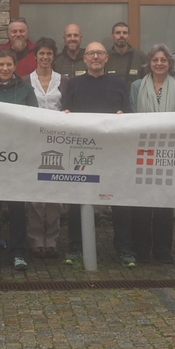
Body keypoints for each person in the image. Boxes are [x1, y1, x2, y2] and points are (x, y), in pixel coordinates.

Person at [60, 41, 132, 267]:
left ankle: (123, 248)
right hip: (83, 151)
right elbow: (65, 113)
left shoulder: (119, 84)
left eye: (100, 53)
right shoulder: (73, 84)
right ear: (85, 58)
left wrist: (123, 116)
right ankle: (76, 246)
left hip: (113, 152)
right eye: (91, 53)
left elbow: (129, 114)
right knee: (78, 200)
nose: (95, 57)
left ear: (106, 58)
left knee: (119, 199)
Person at [0, 49, 37, 271]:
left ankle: (18, 252)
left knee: (17, 208)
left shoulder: (26, 90)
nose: (4, 68)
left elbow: (34, 119)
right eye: (1, 64)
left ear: (14, 66)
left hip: (17, 157)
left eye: (9, 64)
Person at [128, 44, 175, 264]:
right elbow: (133, 115)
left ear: (170, 63)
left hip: (168, 150)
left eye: (163, 60)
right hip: (143, 149)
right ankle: (142, 248)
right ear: (149, 63)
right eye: (155, 60)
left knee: (164, 200)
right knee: (142, 201)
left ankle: (163, 249)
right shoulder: (136, 86)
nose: (159, 63)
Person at [26, 37, 63, 258]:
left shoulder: (63, 81)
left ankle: (52, 238)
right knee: (35, 192)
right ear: (35, 56)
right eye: (42, 53)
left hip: (58, 141)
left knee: (55, 191)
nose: (45, 57)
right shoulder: (25, 81)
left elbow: (68, 107)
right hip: (34, 140)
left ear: (53, 56)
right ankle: (35, 238)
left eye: (49, 53)